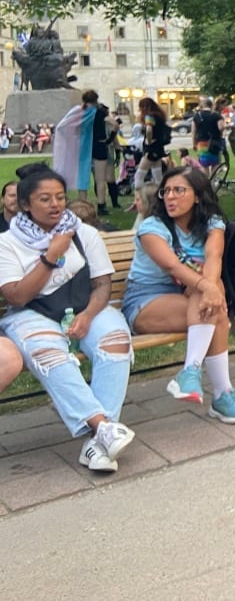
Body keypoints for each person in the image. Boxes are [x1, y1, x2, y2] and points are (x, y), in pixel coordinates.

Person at [0, 164, 135, 472]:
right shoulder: (7, 243)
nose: (56, 205)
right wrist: (51, 255)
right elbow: (17, 296)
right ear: (25, 205)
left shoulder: (83, 232)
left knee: (115, 340)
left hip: (85, 308)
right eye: (45, 199)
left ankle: (96, 444)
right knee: (50, 355)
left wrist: (88, 316)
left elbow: (102, 285)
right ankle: (103, 427)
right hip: (31, 314)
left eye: (60, 197)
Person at [119, 166, 235, 422]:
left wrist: (211, 288)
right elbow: (173, 267)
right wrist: (210, 289)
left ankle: (192, 373)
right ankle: (220, 393)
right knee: (216, 310)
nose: (170, 197)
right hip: (146, 301)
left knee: (213, 299)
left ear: (198, 196)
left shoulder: (212, 222)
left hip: (191, 295)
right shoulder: (152, 228)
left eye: (179, 190)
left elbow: (214, 256)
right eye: (166, 191)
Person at [132, 97, 171, 191]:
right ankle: (161, 195)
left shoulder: (149, 116)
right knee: (157, 174)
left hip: (151, 148)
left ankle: (139, 197)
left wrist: (148, 141)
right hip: (159, 147)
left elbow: (149, 130)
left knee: (139, 175)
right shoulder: (159, 116)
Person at [191, 96, 225, 176]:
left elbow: (193, 132)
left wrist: (194, 144)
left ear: (202, 106)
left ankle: (206, 181)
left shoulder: (196, 116)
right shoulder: (216, 115)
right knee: (215, 163)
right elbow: (221, 127)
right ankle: (213, 181)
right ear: (211, 105)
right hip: (214, 142)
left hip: (201, 143)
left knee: (204, 164)